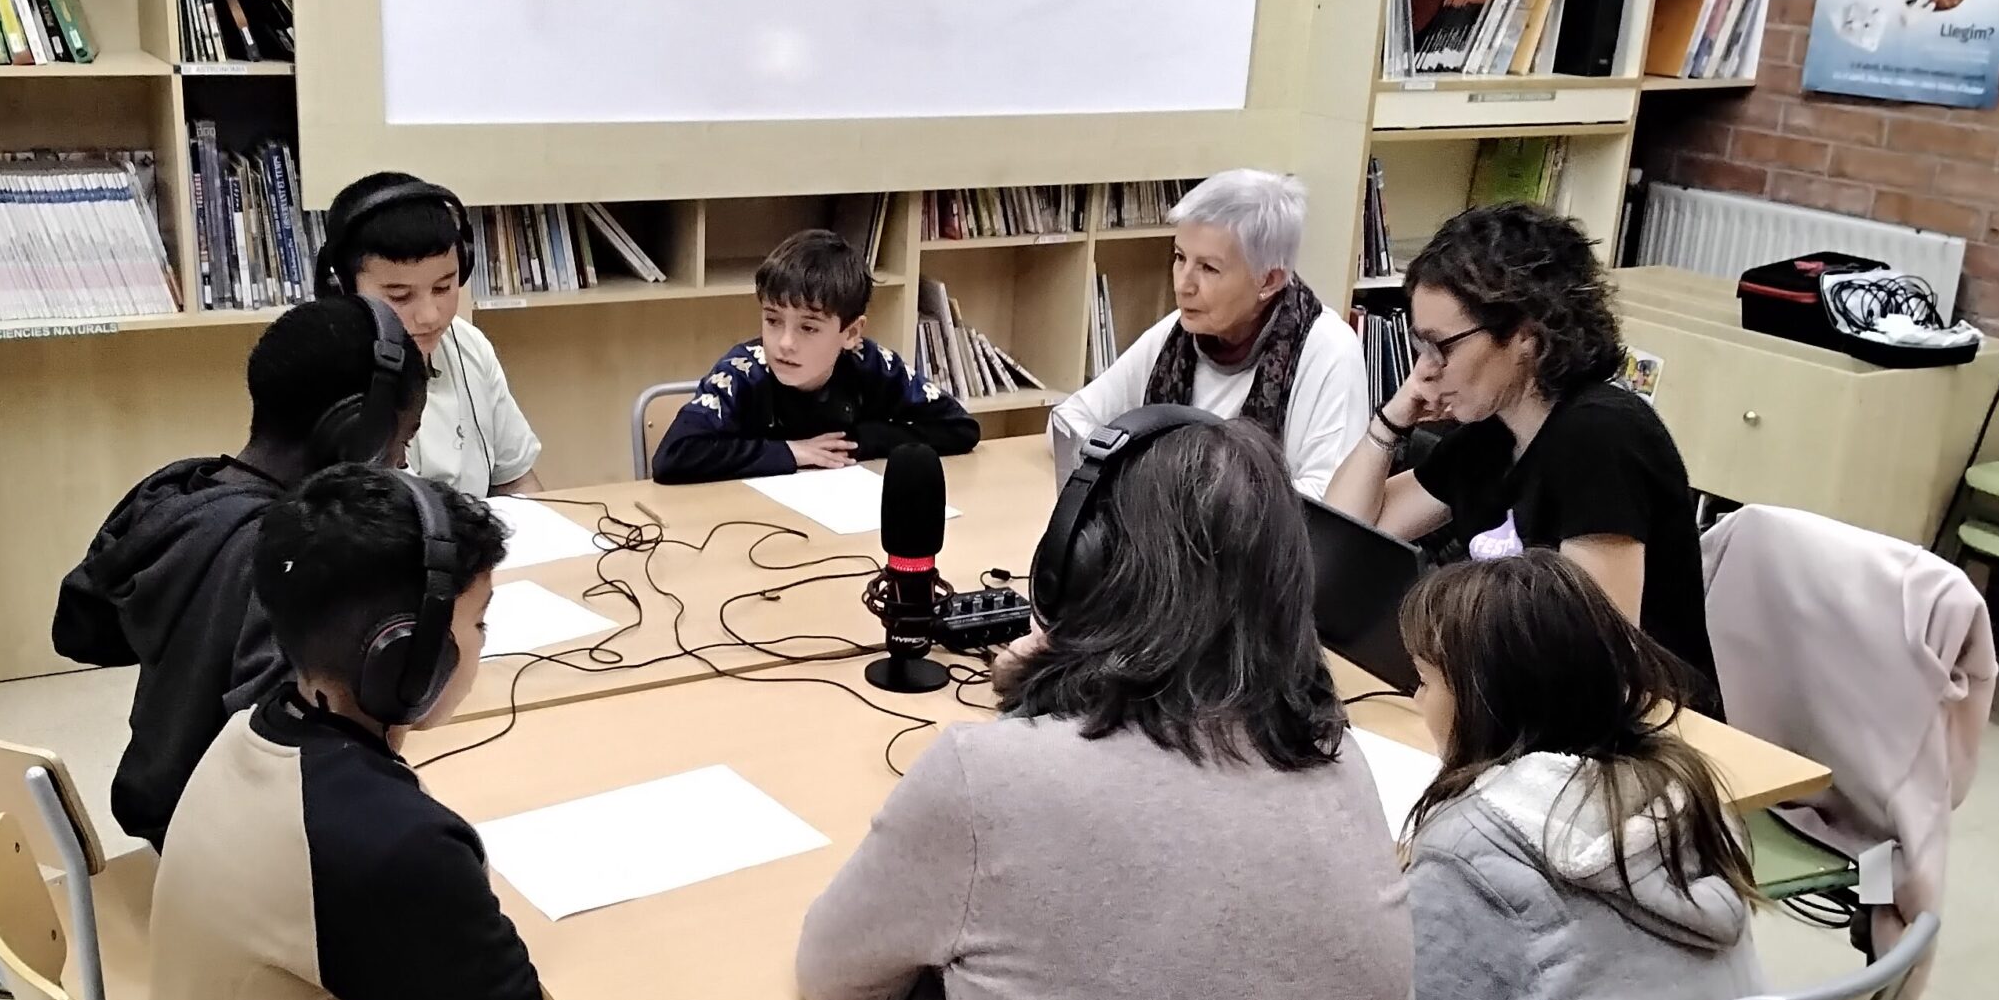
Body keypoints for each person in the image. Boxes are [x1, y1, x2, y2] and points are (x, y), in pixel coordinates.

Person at [776, 416, 1474, 1000]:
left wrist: (1036, 700)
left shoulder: (987, 779)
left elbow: (838, 982)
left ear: (1071, 569)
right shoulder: (1340, 764)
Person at [144, 465, 766, 1000]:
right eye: (477, 622)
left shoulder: (252, 732)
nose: (482, 642)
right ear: (407, 656)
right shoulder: (383, 841)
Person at [1397, 551, 1763, 1000]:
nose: (1416, 702)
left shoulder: (1483, 849)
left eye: (1423, 681)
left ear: (1482, 699)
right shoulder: (1685, 791)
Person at [52, 295, 427, 850]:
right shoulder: (288, 557)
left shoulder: (177, 492)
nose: (402, 463)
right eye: (403, 440)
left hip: (168, 804)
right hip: (231, 848)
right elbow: (291, 749)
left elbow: (84, 631)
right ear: (353, 434)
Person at [1324, 201, 1720, 712]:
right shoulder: (1491, 432)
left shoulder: (1603, 437)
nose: (1425, 370)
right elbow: (1347, 536)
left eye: (1442, 347)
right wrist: (1392, 419)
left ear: (1528, 337)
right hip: (1518, 708)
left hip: (1646, 728)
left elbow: (1597, 658)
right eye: (1420, 346)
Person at [1050, 168, 1368, 495]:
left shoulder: (1329, 352)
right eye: (1180, 257)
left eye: (1208, 268)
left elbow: (1328, 501)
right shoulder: (1176, 334)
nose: (1182, 284)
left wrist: (1193, 497)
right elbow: (1068, 422)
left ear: (1269, 280)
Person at [652, 228, 979, 483]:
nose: (785, 343)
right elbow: (673, 457)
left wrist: (860, 440)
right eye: (773, 321)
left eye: (808, 328)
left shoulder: (873, 365)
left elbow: (959, 428)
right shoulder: (742, 371)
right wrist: (790, 452)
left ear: (851, 333)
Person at [315, 171, 544, 495]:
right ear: (341, 288)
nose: (429, 316)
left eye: (443, 288)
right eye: (400, 296)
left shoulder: (469, 346)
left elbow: (517, 480)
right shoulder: (321, 377)